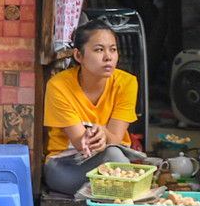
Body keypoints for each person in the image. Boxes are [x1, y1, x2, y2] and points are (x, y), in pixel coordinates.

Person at [41, 19, 142, 196]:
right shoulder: (59, 86)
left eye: (113, 49)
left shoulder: (127, 83)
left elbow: (116, 139)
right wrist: (94, 136)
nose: (108, 57)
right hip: (68, 164)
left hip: (111, 155)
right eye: (99, 50)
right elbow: (82, 144)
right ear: (78, 55)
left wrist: (102, 133)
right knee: (115, 163)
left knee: (114, 156)